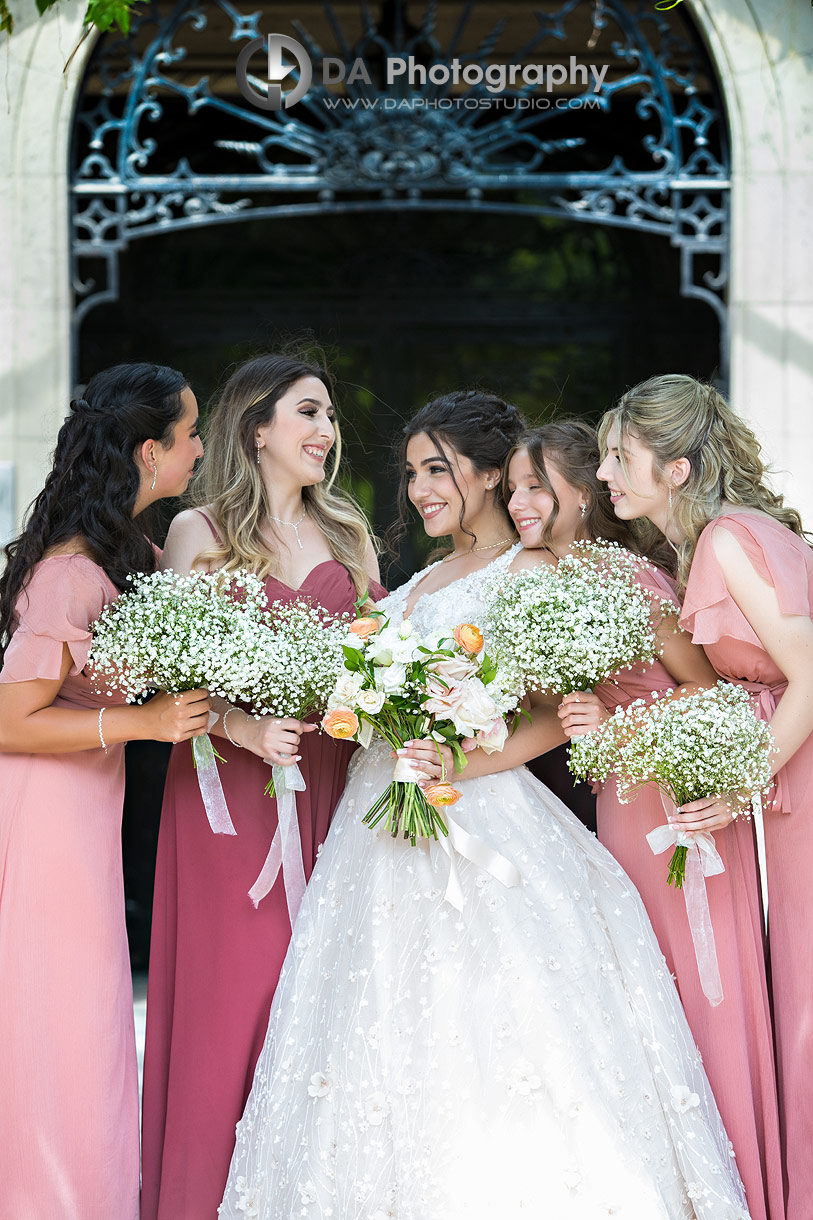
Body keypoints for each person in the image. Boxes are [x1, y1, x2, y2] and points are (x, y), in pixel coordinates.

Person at [220, 390, 751, 1220]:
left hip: (476, 811)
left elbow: (548, 714)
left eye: (437, 469)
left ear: (490, 472)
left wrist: (455, 760)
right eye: (410, 473)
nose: (419, 489)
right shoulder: (415, 579)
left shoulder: (535, 571)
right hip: (373, 833)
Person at [505, 420, 782, 1220]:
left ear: (583, 492)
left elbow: (705, 691)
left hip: (675, 802)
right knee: (642, 1002)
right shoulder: (537, 584)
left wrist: (617, 726)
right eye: (514, 486)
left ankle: (743, 1192)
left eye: (536, 485)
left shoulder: (628, 577)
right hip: (611, 815)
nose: (519, 501)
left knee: (704, 990)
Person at [141, 353, 384, 1220]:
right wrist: (244, 728)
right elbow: (165, 671)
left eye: (329, 417)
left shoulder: (350, 534)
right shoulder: (197, 532)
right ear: (258, 428)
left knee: (316, 993)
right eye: (309, 413)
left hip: (328, 787)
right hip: (223, 794)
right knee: (233, 995)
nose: (327, 432)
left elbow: (379, 663)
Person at [596, 373, 813, 1220]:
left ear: (677, 467)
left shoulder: (727, 538)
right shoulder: (715, 541)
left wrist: (737, 780)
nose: (607, 474)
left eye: (622, 456)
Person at [0, 364, 211, 1220]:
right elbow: (10, 720)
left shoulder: (133, 554)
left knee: (83, 1017)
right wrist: (145, 722)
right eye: (193, 433)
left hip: (86, 804)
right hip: (44, 813)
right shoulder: (70, 575)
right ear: (152, 451)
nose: (200, 449)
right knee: (62, 1014)